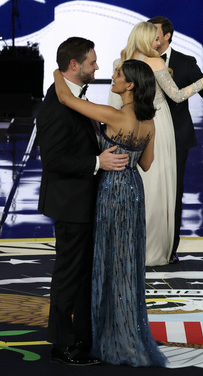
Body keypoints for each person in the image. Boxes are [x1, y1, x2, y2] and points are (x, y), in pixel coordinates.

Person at [53, 60, 166, 366]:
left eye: (118, 75)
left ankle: (107, 335)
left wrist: (55, 71)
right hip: (133, 190)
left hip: (111, 191)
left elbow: (65, 98)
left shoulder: (114, 115)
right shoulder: (149, 121)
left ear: (130, 85)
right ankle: (127, 331)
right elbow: (145, 164)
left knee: (107, 261)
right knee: (126, 264)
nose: (113, 77)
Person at [38, 37, 128, 366]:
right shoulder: (56, 106)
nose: (98, 67)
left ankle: (81, 337)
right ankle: (62, 345)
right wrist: (96, 163)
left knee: (82, 274)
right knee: (69, 274)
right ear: (74, 66)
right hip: (70, 204)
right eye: (92, 62)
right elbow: (53, 159)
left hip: (83, 201)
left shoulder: (73, 97)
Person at [111, 21, 203, 266]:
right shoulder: (156, 62)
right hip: (159, 129)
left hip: (129, 131)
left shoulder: (121, 64)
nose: (158, 43)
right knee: (157, 190)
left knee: (131, 188)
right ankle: (153, 249)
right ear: (145, 38)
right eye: (154, 38)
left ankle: (129, 248)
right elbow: (177, 95)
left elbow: (114, 104)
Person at [147, 16, 203, 264]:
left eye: (155, 33)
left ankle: (169, 247)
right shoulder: (141, 60)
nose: (151, 38)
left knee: (172, 192)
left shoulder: (185, 62)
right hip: (146, 136)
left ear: (167, 36)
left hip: (177, 137)